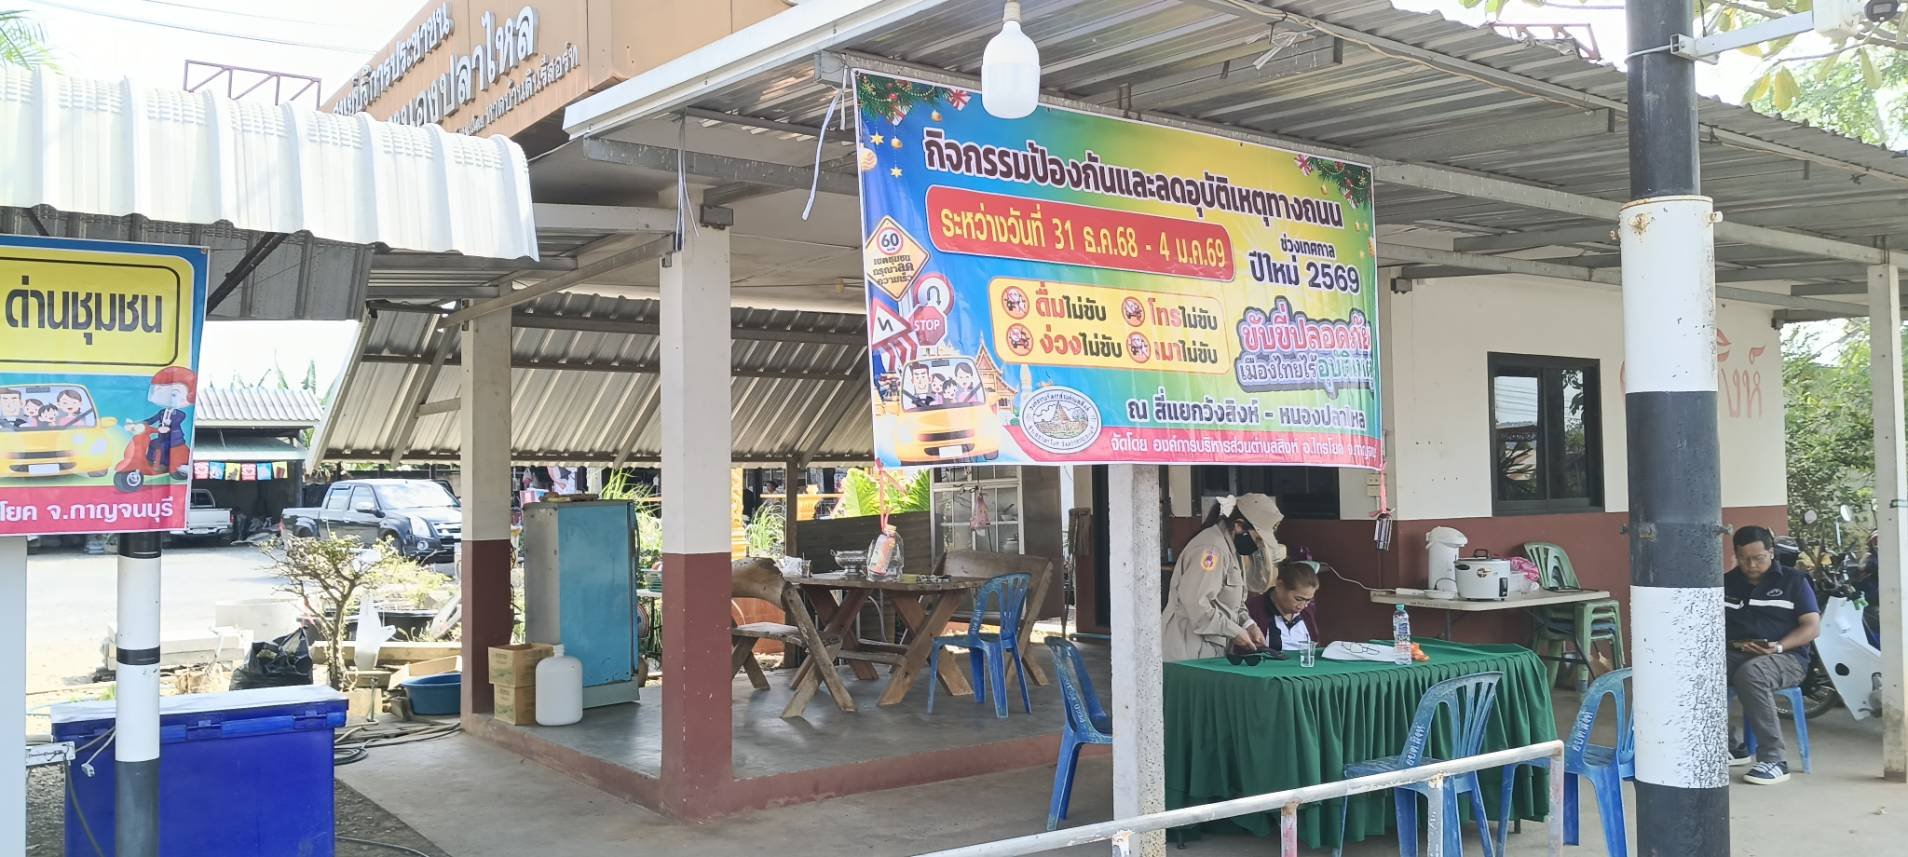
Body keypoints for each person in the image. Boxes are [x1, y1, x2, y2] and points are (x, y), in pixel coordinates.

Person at [1725, 525, 1821, 785]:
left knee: (1751, 674)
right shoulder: (1727, 582)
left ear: (1771, 552)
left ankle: (1774, 759)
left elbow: (1812, 627)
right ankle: (1730, 747)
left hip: (1787, 657)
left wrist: (1778, 646)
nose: (1751, 565)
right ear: (1736, 555)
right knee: (1701, 669)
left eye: (1758, 558)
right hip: (1737, 653)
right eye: (1744, 559)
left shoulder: (1795, 581)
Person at [1161, 493, 1286, 661]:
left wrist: (1248, 624)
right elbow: (1196, 604)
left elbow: (1231, 603)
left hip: (1210, 646)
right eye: (1257, 539)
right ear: (1239, 526)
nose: (1258, 546)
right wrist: (1235, 632)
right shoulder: (1212, 550)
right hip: (1189, 648)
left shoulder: (1231, 548)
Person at [1248, 561, 1323, 652]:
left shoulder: (1308, 611)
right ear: (1279, 586)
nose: (1303, 606)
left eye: (1308, 600)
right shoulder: (1253, 609)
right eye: (1298, 599)